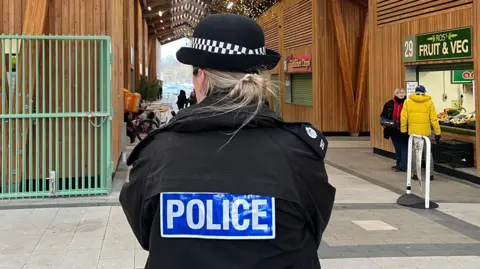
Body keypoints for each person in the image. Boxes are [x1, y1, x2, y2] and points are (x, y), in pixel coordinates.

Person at [119, 14, 335, 269]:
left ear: (201, 79)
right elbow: (314, 227)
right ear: (258, 79)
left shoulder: (157, 153)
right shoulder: (298, 152)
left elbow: (146, 234)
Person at [401, 85, 441, 181]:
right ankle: (430, 174)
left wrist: (403, 130)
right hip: (425, 132)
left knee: (415, 153)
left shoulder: (408, 101)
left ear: (415, 91)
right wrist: (437, 132)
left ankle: (415, 174)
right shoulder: (429, 102)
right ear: (424, 92)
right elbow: (434, 119)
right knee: (428, 153)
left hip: (414, 132)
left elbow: (403, 117)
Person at [380, 88, 408, 172]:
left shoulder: (408, 103)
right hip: (393, 129)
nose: (401, 94)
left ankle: (403, 165)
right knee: (397, 147)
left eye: (403, 92)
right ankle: (399, 164)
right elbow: (383, 116)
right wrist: (389, 123)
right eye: (399, 93)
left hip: (405, 129)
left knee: (405, 147)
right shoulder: (389, 104)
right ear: (395, 94)